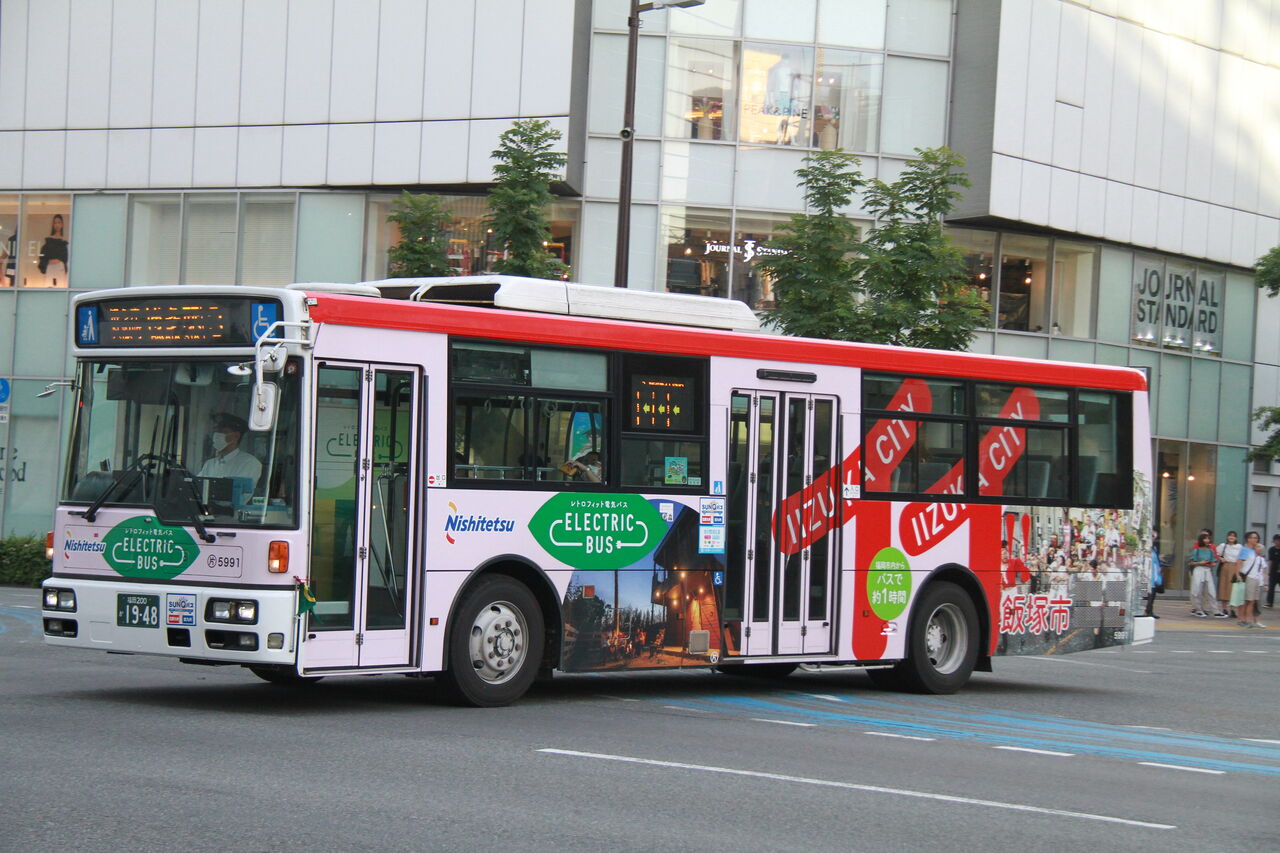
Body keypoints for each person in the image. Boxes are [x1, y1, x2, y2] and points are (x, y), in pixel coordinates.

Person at [198, 413, 262, 486]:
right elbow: (197, 488)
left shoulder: (249, 463)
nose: (217, 435)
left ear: (236, 436)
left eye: (224, 432)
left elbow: (241, 493)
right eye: (217, 431)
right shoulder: (209, 464)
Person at [1187, 532, 1223, 618]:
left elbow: (1214, 560)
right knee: (1197, 590)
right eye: (1205, 538)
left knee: (1211, 590)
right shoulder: (1197, 550)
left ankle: (1216, 610)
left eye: (1208, 538)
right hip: (1198, 569)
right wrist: (1200, 562)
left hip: (1207, 570)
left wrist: (1213, 563)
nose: (1207, 540)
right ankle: (1198, 609)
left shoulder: (1210, 551)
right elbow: (1191, 562)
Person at [1236, 531, 1266, 628]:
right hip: (1248, 577)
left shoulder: (1256, 551)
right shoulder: (1245, 550)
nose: (1254, 540)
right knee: (1247, 600)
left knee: (1252, 601)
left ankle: (1249, 619)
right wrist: (1237, 574)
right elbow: (1239, 563)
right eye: (1252, 537)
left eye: (1256, 538)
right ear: (1248, 539)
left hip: (1256, 578)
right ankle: (1243, 619)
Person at [1216, 530, 1242, 618]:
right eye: (1230, 535)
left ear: (1236, 538)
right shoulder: (1223, 546)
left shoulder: (1239, 547)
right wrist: (1221, 558)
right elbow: (1215, 553)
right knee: (1224, 588)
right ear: (1227, 537)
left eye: (1233, 536)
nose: (1231, 537)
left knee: (1234, 589)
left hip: (1235, 567)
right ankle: (1224, 608)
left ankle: (1233, 609)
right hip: (1225, 567)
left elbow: (1241, 558)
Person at [37, 213, 69, 284]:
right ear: (53, 225)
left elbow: (65, 258)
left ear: (62, 224)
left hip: (60, 267)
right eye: (55, 223)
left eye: (59, 222)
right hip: (50, 267)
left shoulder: (64, 242)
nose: (57, 225)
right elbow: (43, 256)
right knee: (49, 285)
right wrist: (48, 262)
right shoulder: (49, 241)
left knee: (60, 286)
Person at [1267, 534, 1280, 609]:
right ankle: (1269, 603)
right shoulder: (1271, 549)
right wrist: (1269, 570)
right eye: (1276, 540)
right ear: (1274, 541)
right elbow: (1270, 561)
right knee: (1271, 587)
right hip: (1273, 571)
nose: (1278, 542)